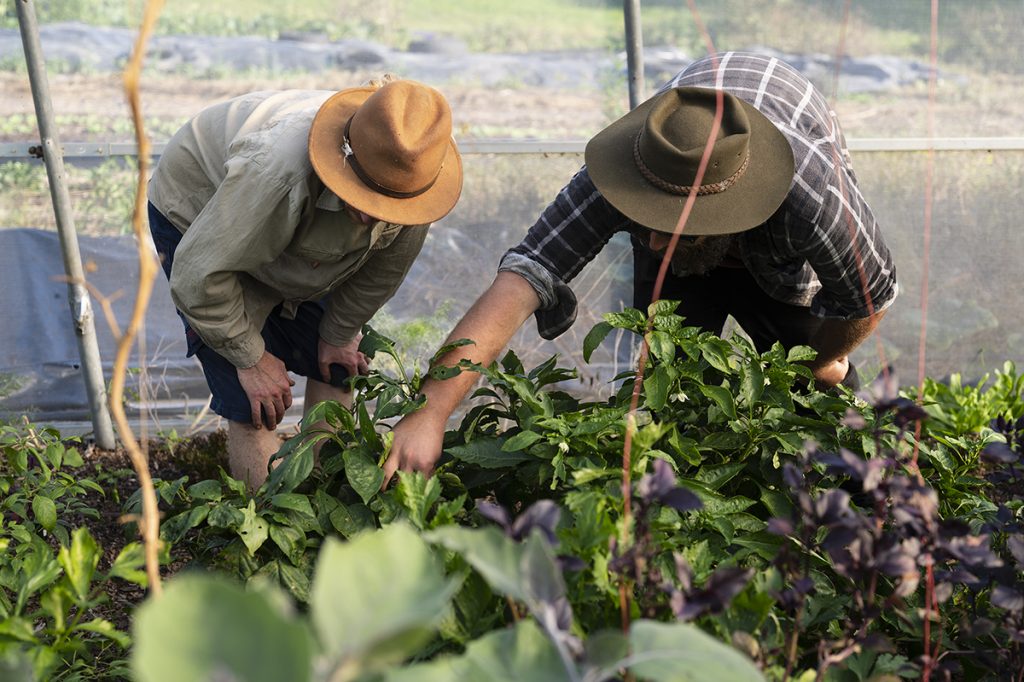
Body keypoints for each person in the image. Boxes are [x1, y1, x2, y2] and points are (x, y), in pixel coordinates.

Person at [382, 51, 898, 484]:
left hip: (780, 257)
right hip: (702, 208)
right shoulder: (633, 168)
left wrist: (822, 359)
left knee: (816, 385)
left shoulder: (811, 196)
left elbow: (867, 297)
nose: (649, 240)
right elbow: (524, 275)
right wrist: (429, 413)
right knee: (671, 388)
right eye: (647, 216)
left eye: (672, 225)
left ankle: (873, 492)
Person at [147, 77, 462, 488]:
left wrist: (339, 333)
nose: (372, 215)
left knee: (335, 366)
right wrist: (251, 357)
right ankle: (268, 527)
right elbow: (200, 276)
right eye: (364, 196)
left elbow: (381, 274)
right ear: (346, 157)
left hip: (302, 233)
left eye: (388, 204)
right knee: (256, 401)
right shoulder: (275, 173)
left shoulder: (415, 179)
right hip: (205, 212)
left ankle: (324, 497)